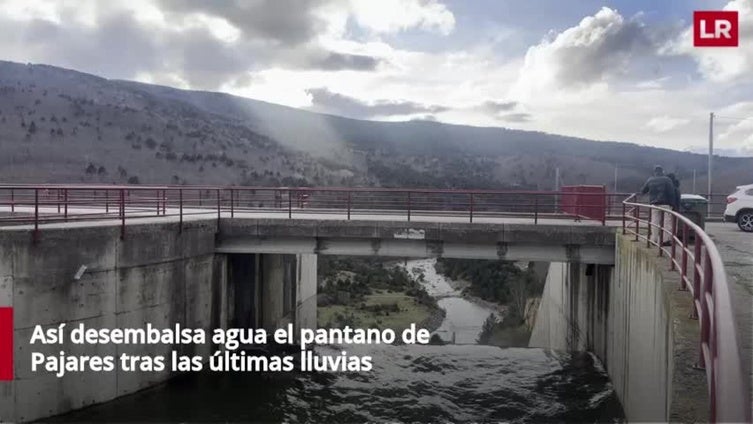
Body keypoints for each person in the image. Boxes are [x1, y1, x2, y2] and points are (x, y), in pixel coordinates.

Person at [640, 166, 676, 246]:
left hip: (654, 204)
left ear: (654, 172)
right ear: (662, 171)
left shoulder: (650, 180)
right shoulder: (667, 180)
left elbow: (643, 191)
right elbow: (671, 192)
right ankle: (665, 240)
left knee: (654, 222)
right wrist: (672, 204)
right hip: (666, 203)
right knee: (667, 222)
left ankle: (654, 239)